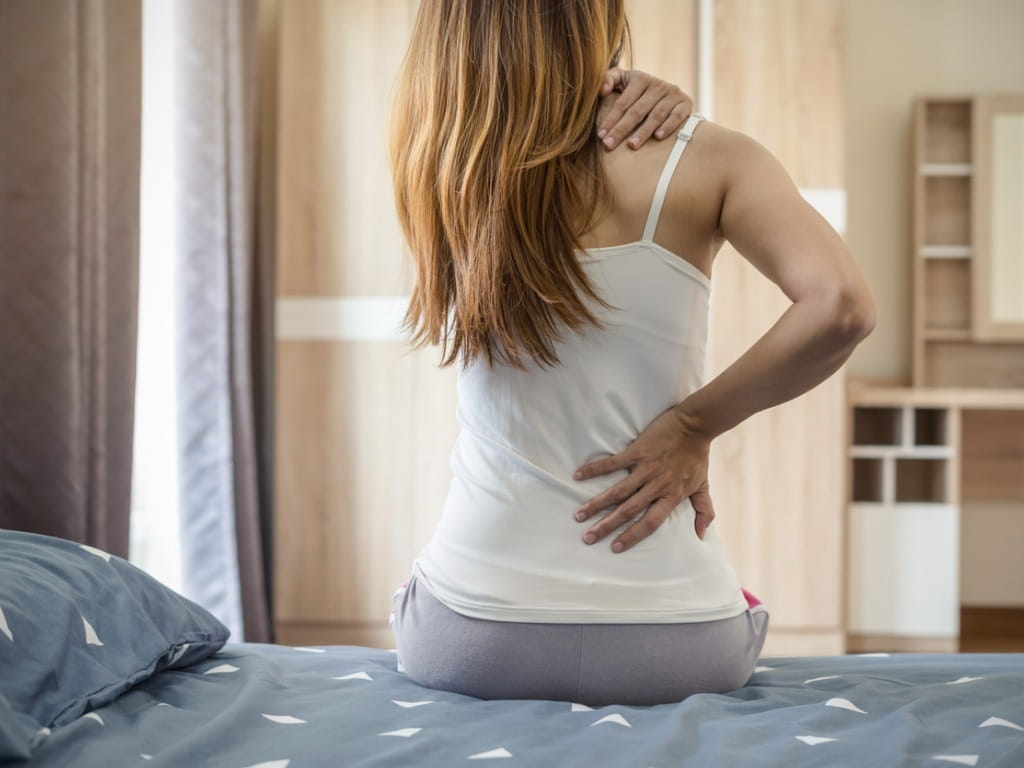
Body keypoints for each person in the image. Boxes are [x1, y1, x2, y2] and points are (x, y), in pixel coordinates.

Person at [388, 0, 875, 707]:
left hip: (472, 638)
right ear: (595, 23)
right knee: (731, 596)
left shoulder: (437, 163)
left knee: (419, 588)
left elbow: (525, 126)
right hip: (679, 645)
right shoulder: (709, 157)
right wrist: (691, 427)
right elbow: (842, 304)